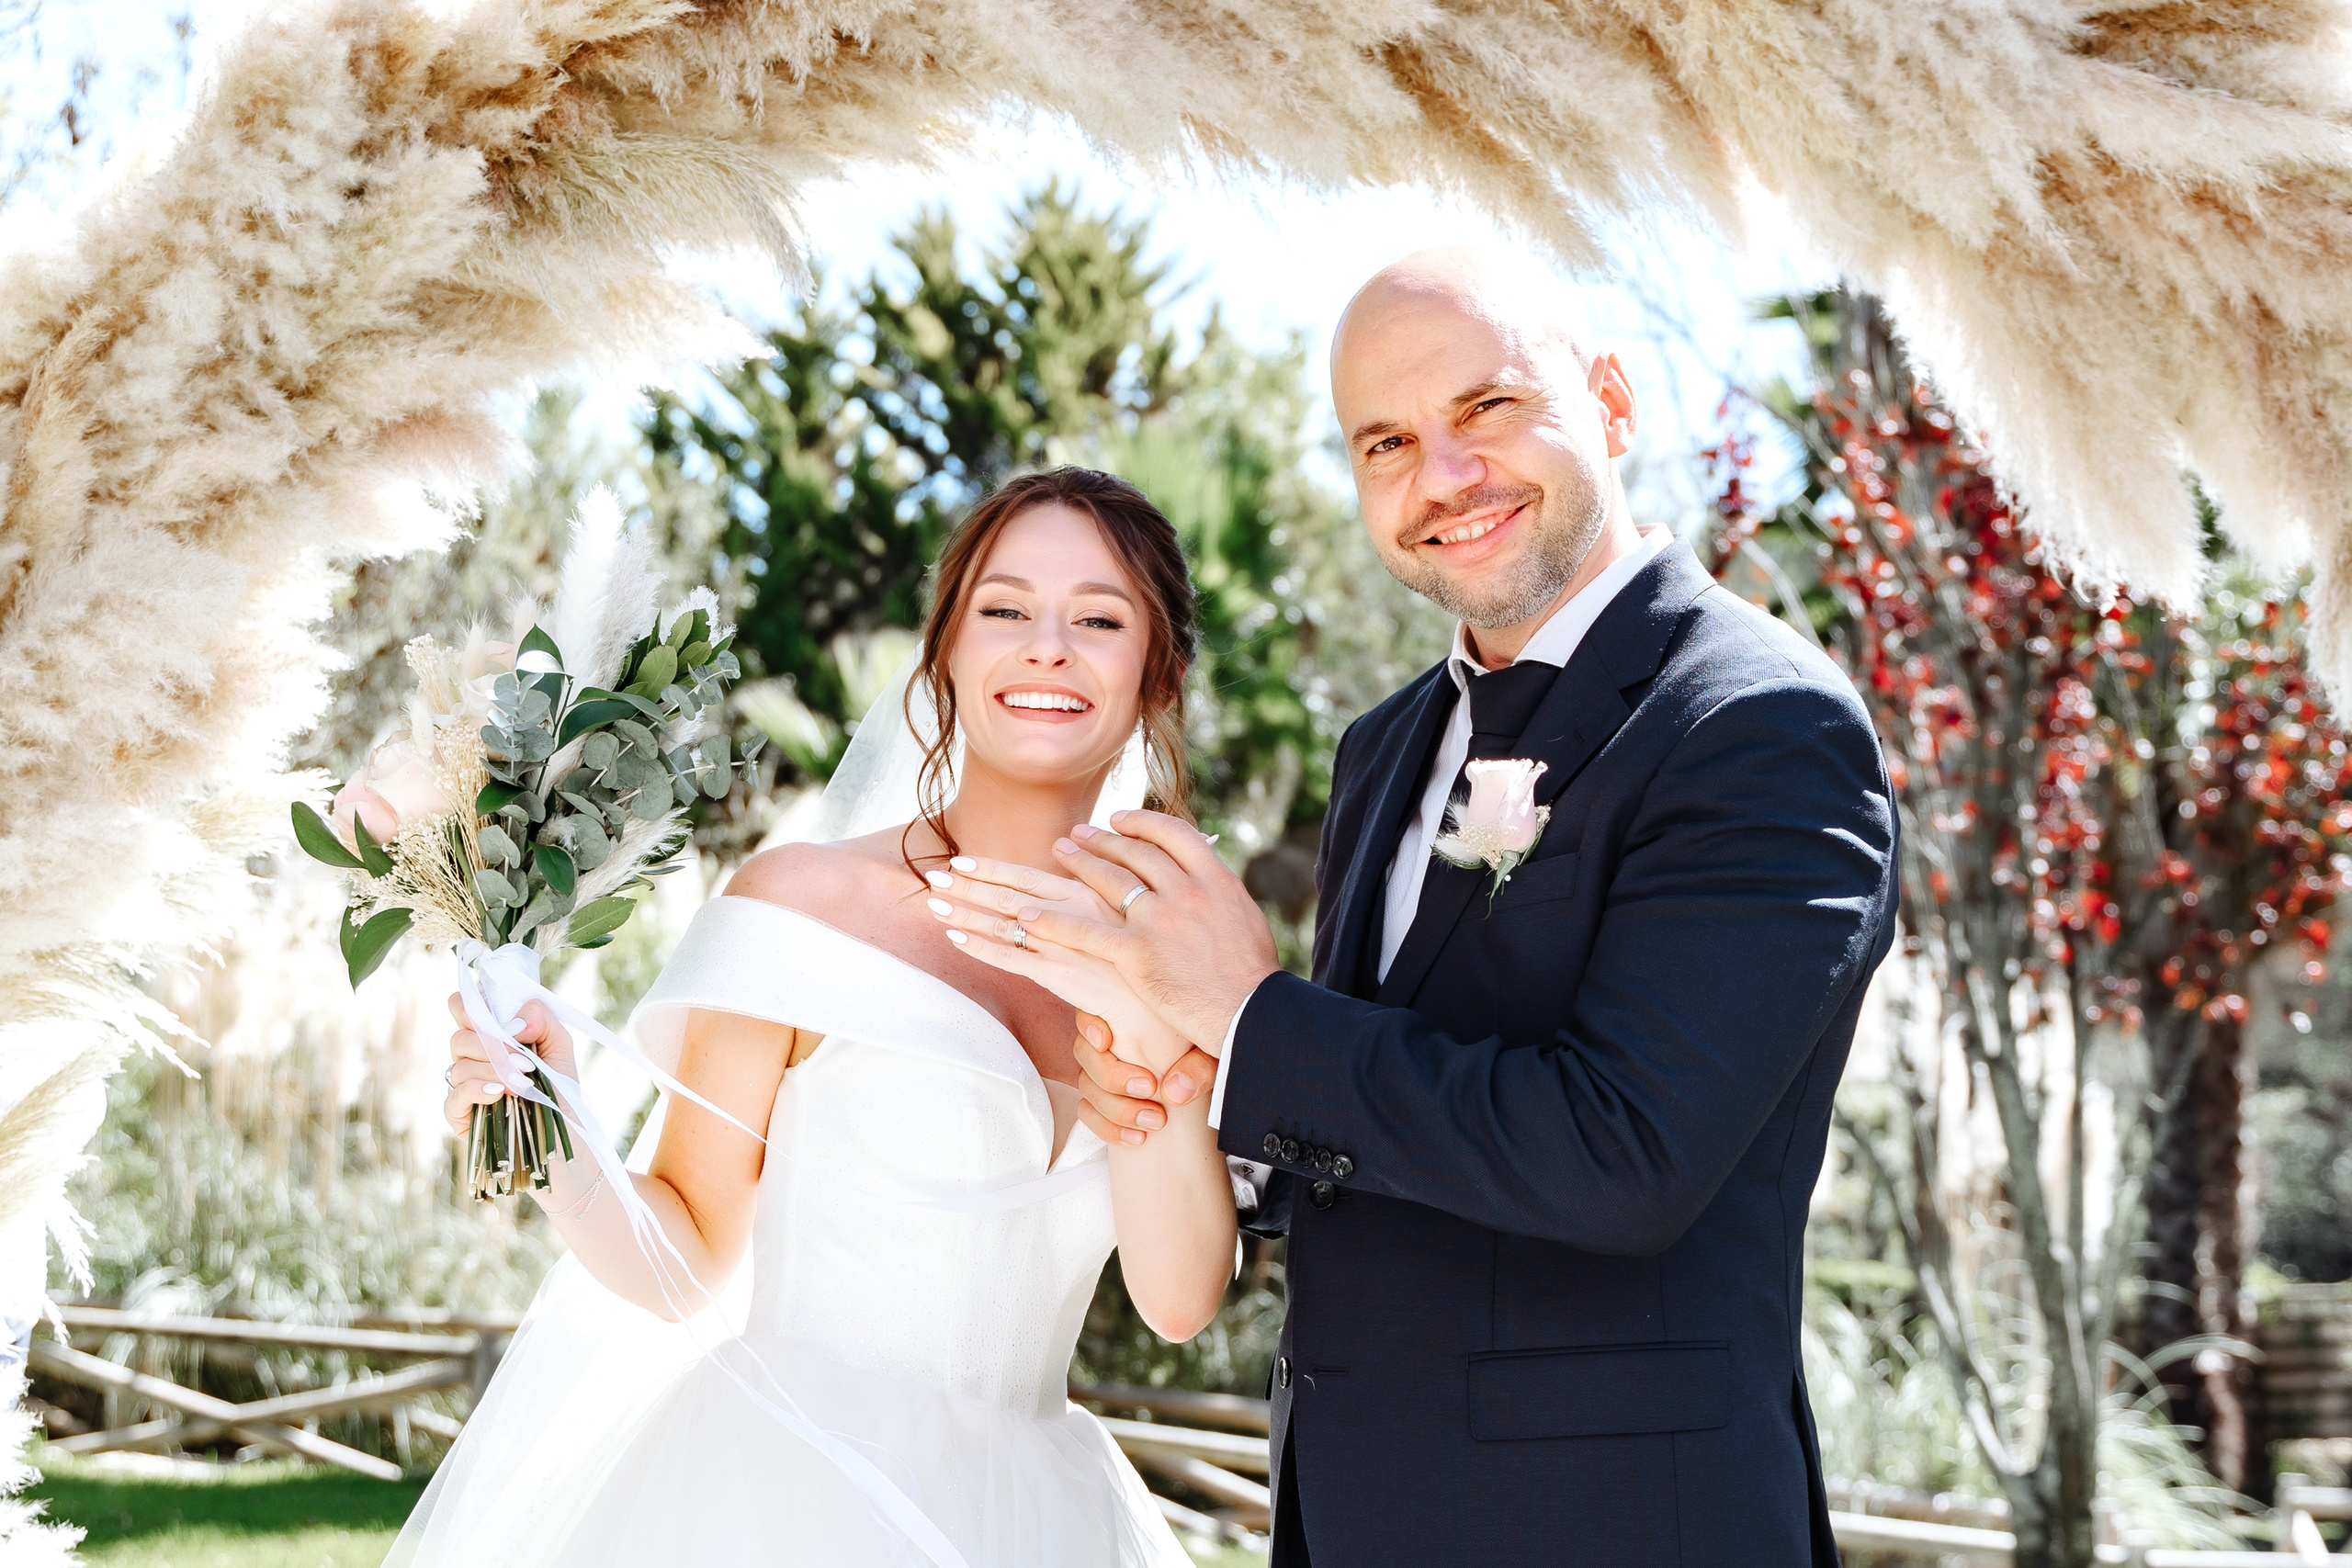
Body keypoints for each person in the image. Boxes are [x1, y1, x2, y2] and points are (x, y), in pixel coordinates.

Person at [929, 247, 1900, 1567]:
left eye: (1487, 409)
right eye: (1385, 441)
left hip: (1614, 1525)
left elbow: (1624, 1157)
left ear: (1613, 402)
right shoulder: (1386, 746)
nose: (1441, 476)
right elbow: (1372, 1126)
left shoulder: (1754, 723)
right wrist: (1192, 1074)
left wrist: (1252, 1013)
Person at [388, 468, 1235, 1568]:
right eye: (1006, 609)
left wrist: (1135, 1002)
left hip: (1044, 1518)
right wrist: (549, 1127)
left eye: (1099, 619)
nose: (1048, 648)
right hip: (785, 1493)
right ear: (944, 654)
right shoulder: (805, 905)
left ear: (1156, 677)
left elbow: (1176, 1299)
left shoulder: (1179, 943)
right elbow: (685, 1258)